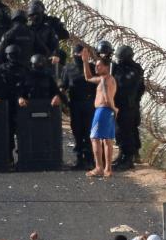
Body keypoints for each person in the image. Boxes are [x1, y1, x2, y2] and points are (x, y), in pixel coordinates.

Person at [60, 44, 99, 169]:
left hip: (89, 103)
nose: (79, 57)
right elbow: (64, 86)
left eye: (81, 54)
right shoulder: (68, 68)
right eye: (77, 54)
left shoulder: (92, 67)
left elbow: (97, 84)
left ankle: (90, 159)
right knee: (77, 131)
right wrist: (62, 100)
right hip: (75, 104)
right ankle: (79, 159)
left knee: (89, 132)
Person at [82, 46, 118, 177]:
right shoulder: (109, 78)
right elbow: (88, 77)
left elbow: (107, 97)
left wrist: (113, 108)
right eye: (96, 66)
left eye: (99, 66)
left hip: (103, 110)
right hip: (108, 111)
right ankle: (108, 169)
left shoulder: (104, 80)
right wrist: (85, 61)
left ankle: (99, 167)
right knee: (107, 140)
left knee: (95, 138)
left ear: (106, 67)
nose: (96, 68)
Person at [112, 45, 145, 170]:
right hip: (119, 105)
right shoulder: (118, 68)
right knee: (119, 131)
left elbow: (133, 87)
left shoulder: (134, 70)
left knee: (127, 132)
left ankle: (128, 159)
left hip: (128, 106)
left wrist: (134, 101)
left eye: (121, 58)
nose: (119, 60)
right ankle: (122, 154)